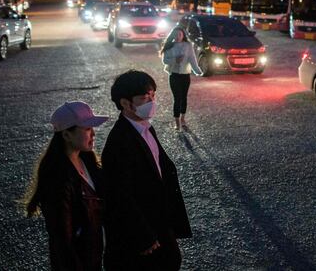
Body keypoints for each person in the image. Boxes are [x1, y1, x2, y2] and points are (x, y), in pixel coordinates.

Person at [102, 70, 192, 270]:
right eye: (144, 98)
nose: (151, 102)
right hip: (143, 237)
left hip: (160, 224)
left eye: (153, 95)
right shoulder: (119, 141)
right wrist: (143, 237)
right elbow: (120, 196)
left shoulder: (146, 128)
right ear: (125, 103)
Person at [24, 101, 109, 271]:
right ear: (66, 135)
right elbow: (62, 239)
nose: (93, 134)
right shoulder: (57, 178)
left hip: (96, 256)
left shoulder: (88, 160)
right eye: (86, 129)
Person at [159, 27, 203, 130]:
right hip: (174, 75)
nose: (177, 36)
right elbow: (165, 61)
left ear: (183, 35)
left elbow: (192, 59)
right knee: (177, 98)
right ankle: (177, 121)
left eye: (179, 34)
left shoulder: (188, 46)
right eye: (175, 34)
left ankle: (183, 118)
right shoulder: (169, 46)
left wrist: (198, 71)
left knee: (184, 97)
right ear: (172, 35)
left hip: (185, 75)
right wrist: (175, 60)